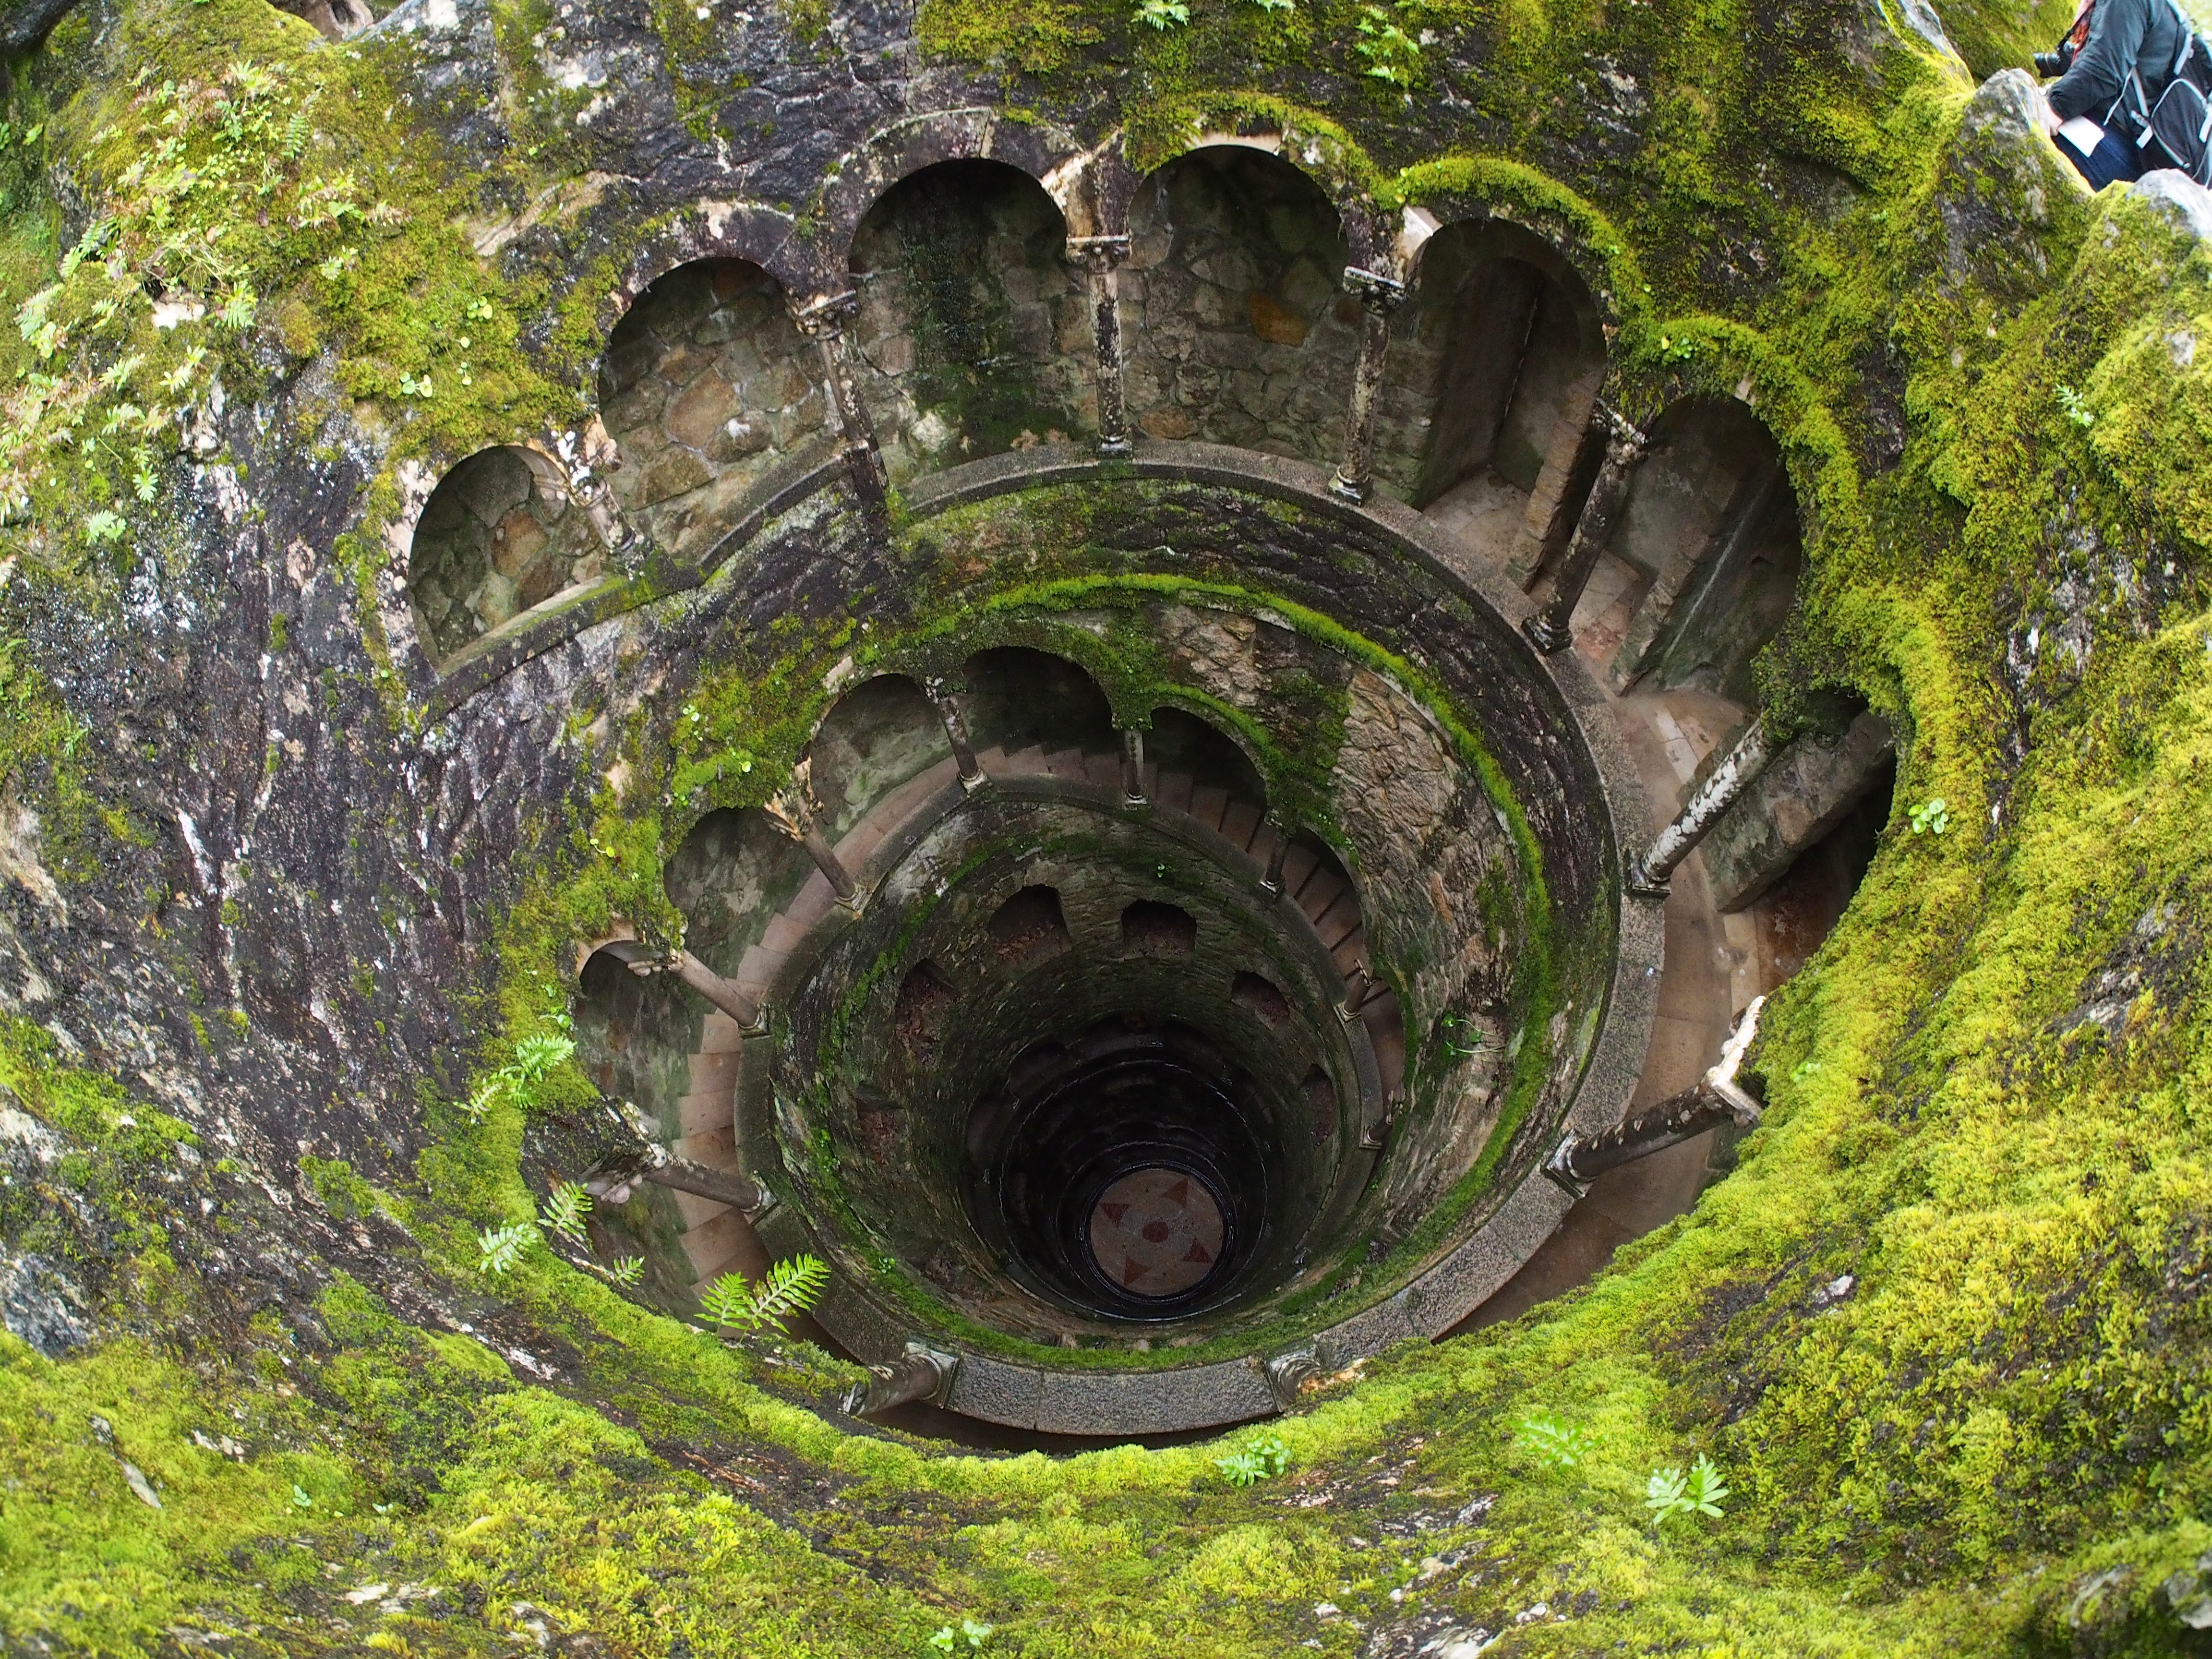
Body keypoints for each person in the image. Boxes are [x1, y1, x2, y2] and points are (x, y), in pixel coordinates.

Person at [2036, 0, 2193, 187]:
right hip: (2140, 163)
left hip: (2104, 144)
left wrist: (2053, 111)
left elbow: (2103, 70)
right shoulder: (2168, 11)